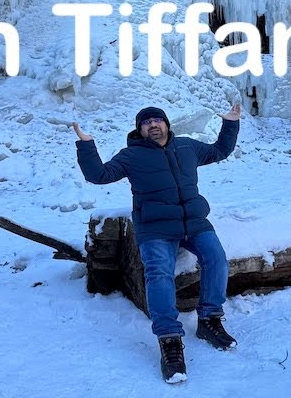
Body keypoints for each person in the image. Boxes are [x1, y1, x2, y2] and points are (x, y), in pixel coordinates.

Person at [72, 103, 241, 383]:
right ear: (139, 129)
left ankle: (210, 320)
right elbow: (98, 176)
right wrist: (87, 146)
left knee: (217, 259)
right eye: (146, 122)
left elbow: (220, 150)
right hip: (155, 228)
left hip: (195, 222)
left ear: (166, 124)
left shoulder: (187, 147)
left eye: (157, 120)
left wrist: (231, 123)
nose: (153, 125)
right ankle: (169, 339)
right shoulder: (131, 156)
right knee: (159, 274)